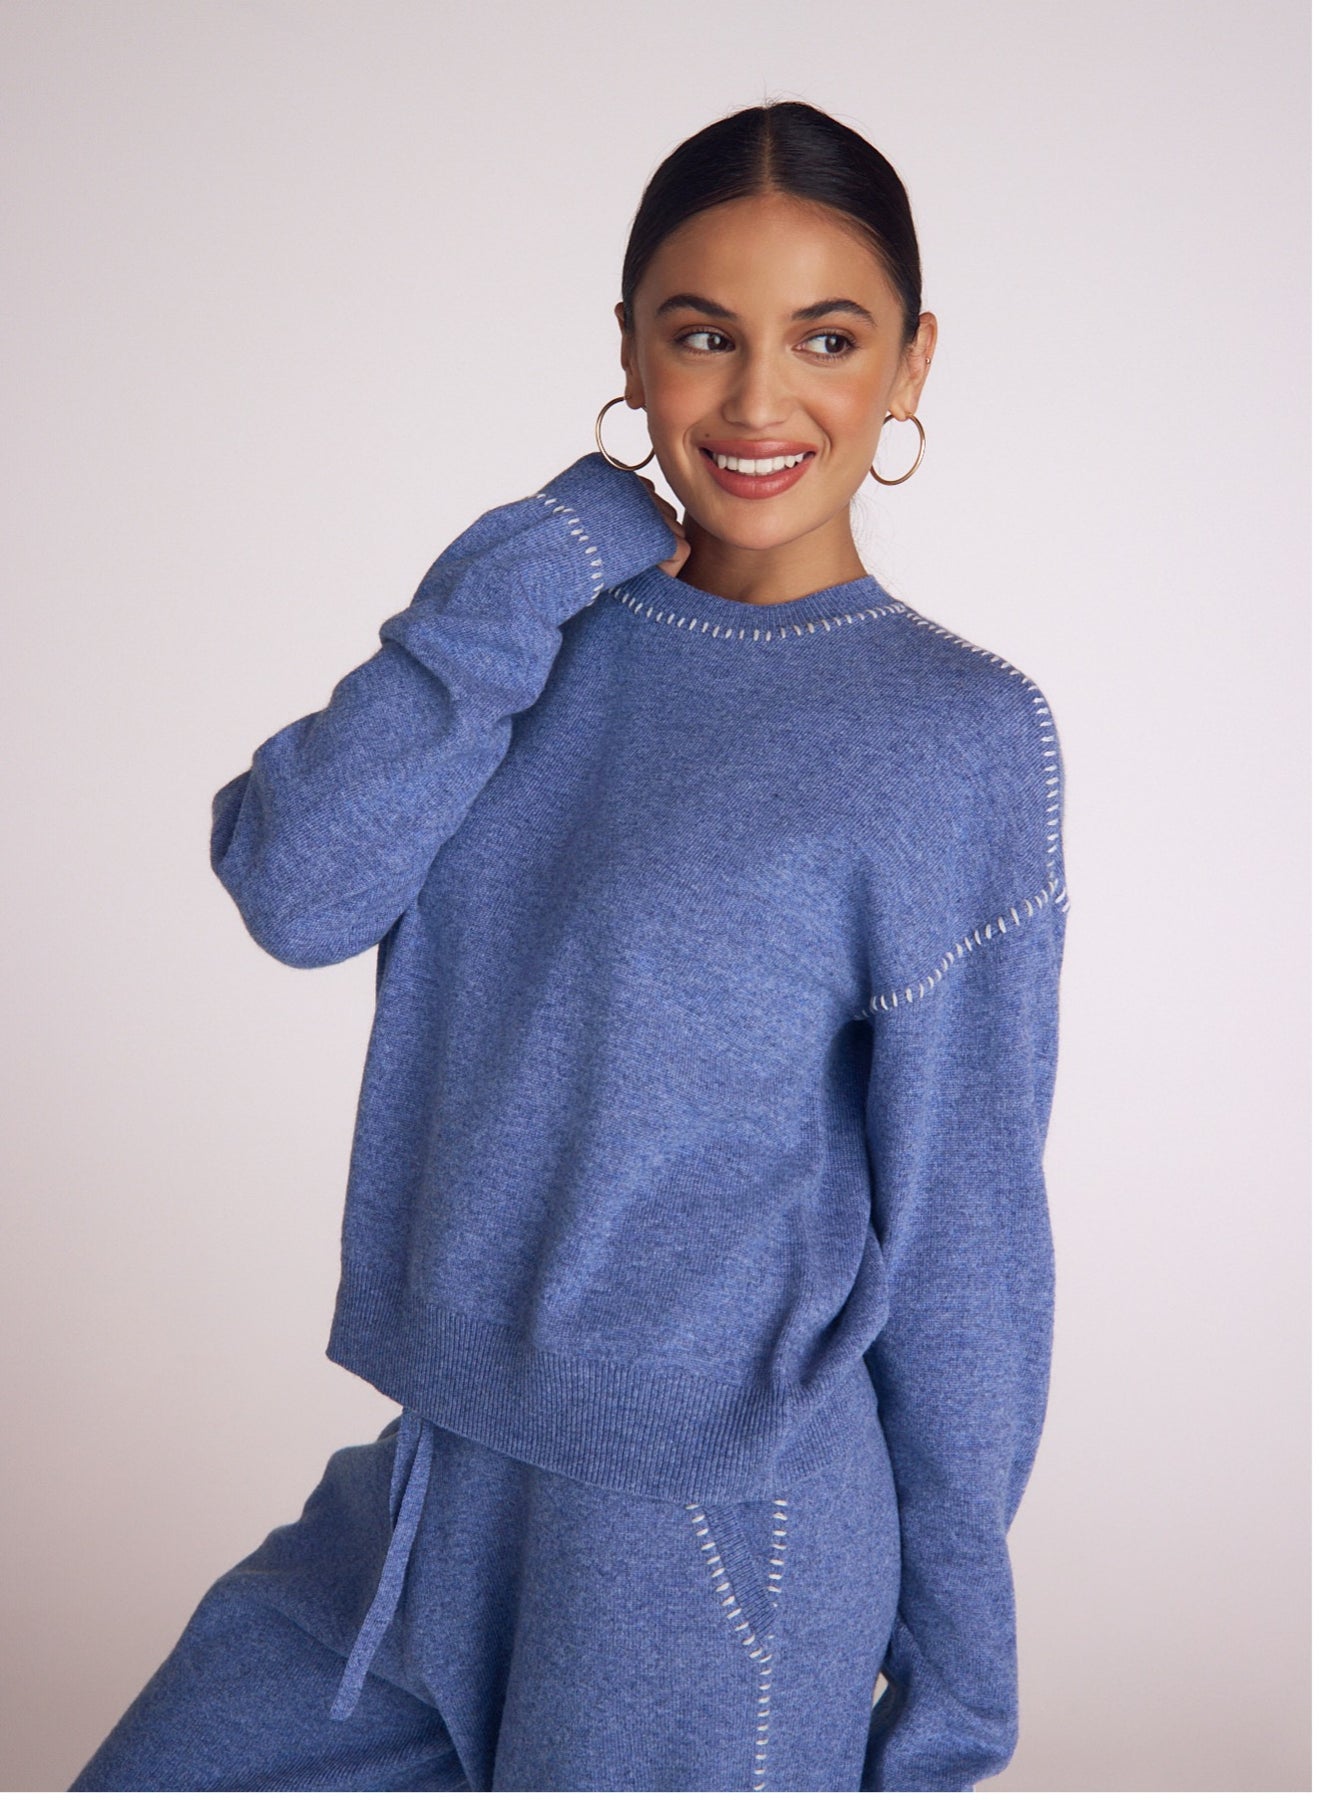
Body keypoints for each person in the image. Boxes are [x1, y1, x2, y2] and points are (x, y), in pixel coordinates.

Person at [71, 99, 1069, 1794]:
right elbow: (294, 887)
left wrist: (960, 1694)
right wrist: (534, 558)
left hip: (704, 1541)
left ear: (912, 364)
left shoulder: (953, 736)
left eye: (828, 339)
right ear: (630, 350)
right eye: (704, 335)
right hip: (435, 1476)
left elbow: (968, 1230)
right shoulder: (539, 633)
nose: (758, 403)